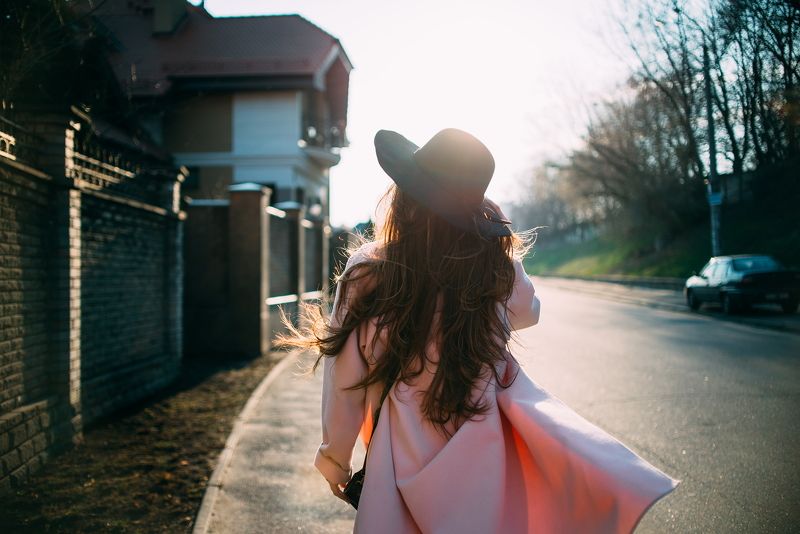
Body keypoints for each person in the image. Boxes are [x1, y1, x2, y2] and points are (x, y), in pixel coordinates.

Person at [283, 128, 679, 533]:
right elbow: (529, 310)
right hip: (481, 455)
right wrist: (492, 242)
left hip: (396, 459)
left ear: (403, 199)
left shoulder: (370, 270)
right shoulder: (492, 270)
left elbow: (345, 376)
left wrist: (335, 456)